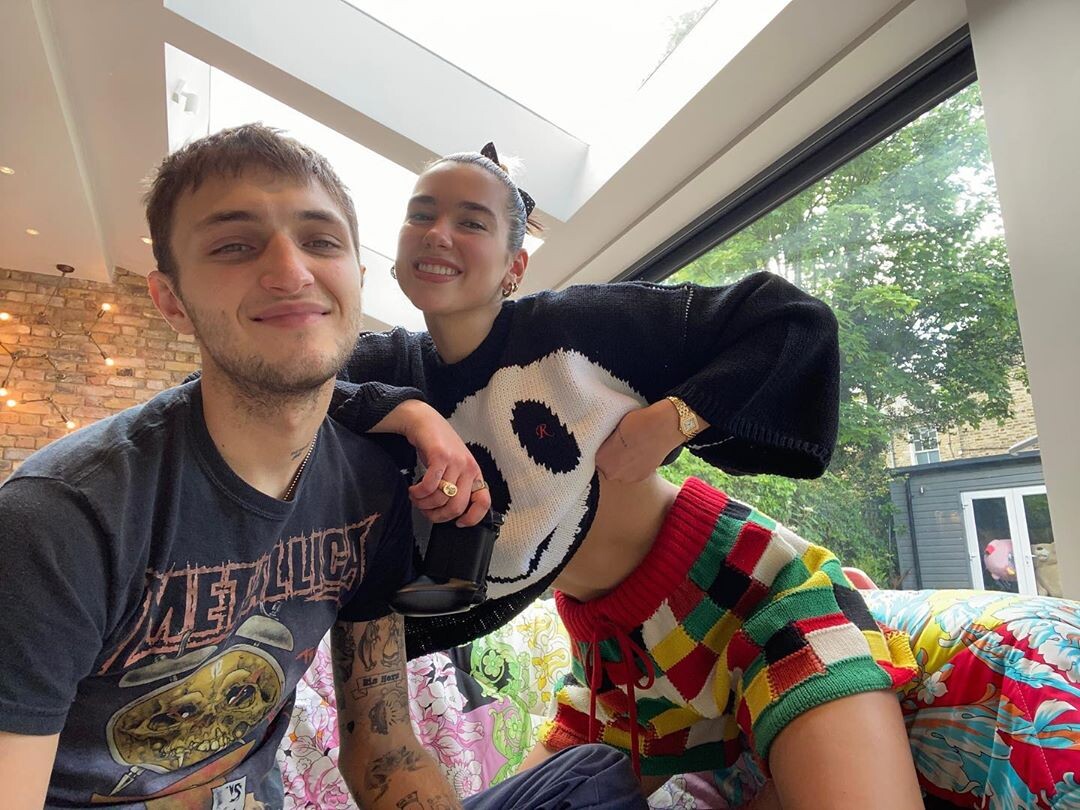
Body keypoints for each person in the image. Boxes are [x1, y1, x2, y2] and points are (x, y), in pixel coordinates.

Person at [0, 125, 649, 810]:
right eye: (234, 245)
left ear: (358, 279)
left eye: (320, 241)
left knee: (595, 778)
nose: (291, 272)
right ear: (171, 300)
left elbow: (386, 750)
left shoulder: (370, 488)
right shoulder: (61, 518)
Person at [334, 144, 927, 809]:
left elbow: (790, 320)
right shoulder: (387, 370)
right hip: (617, 661)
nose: (438, 233)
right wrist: (409, 412)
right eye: (421, 214)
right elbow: (275, 391)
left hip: (749, 594)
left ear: (514, 265)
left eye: (471, 221)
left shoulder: (577, 326)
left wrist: (676, 420)